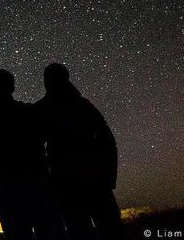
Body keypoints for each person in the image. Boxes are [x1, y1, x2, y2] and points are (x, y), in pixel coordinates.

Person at [35, 63, 124, 240]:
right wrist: (108, 178)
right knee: (109, 229)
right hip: (94, 180)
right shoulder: (83, 106)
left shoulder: (44, 109)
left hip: (69, 183)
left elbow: (35, 145)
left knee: (82, 230)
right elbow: (108, 142)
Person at [0, 69, 65, 240]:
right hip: (39, 184)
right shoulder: (29, 111)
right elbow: (51, 138)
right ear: (13, 87)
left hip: (11, 187)